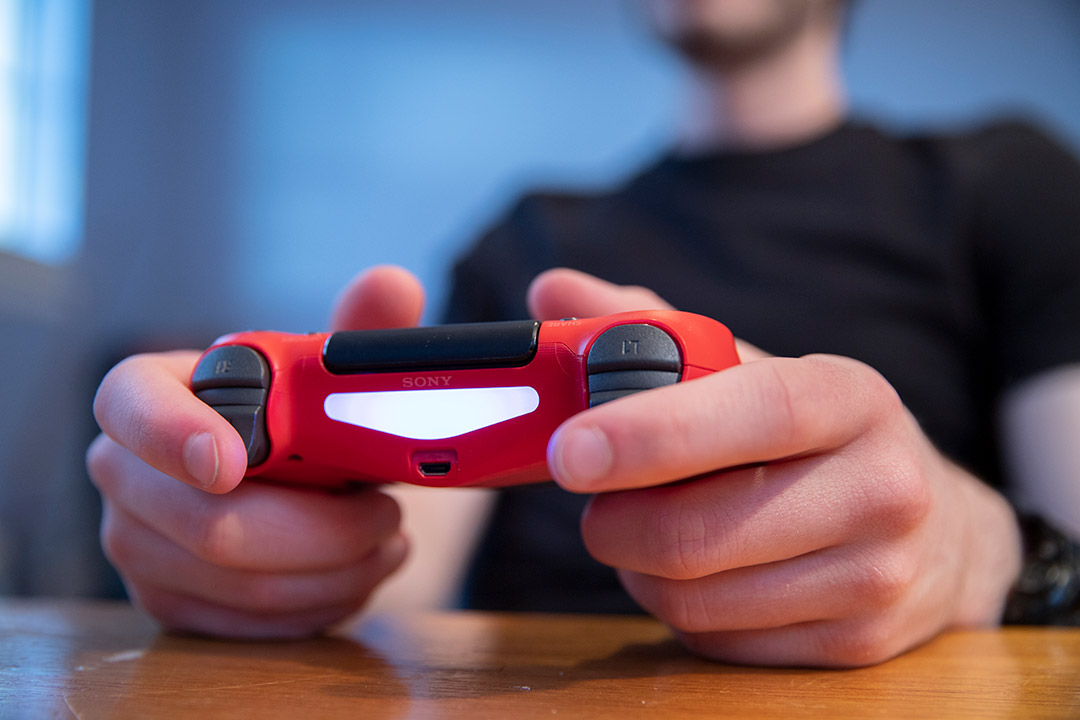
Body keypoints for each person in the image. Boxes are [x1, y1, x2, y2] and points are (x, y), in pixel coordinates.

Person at [87, 0, 1080, 667]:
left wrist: (974, 549)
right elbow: (403, 557)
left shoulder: (1005, 182)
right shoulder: (531, 231)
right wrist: (266, 547)